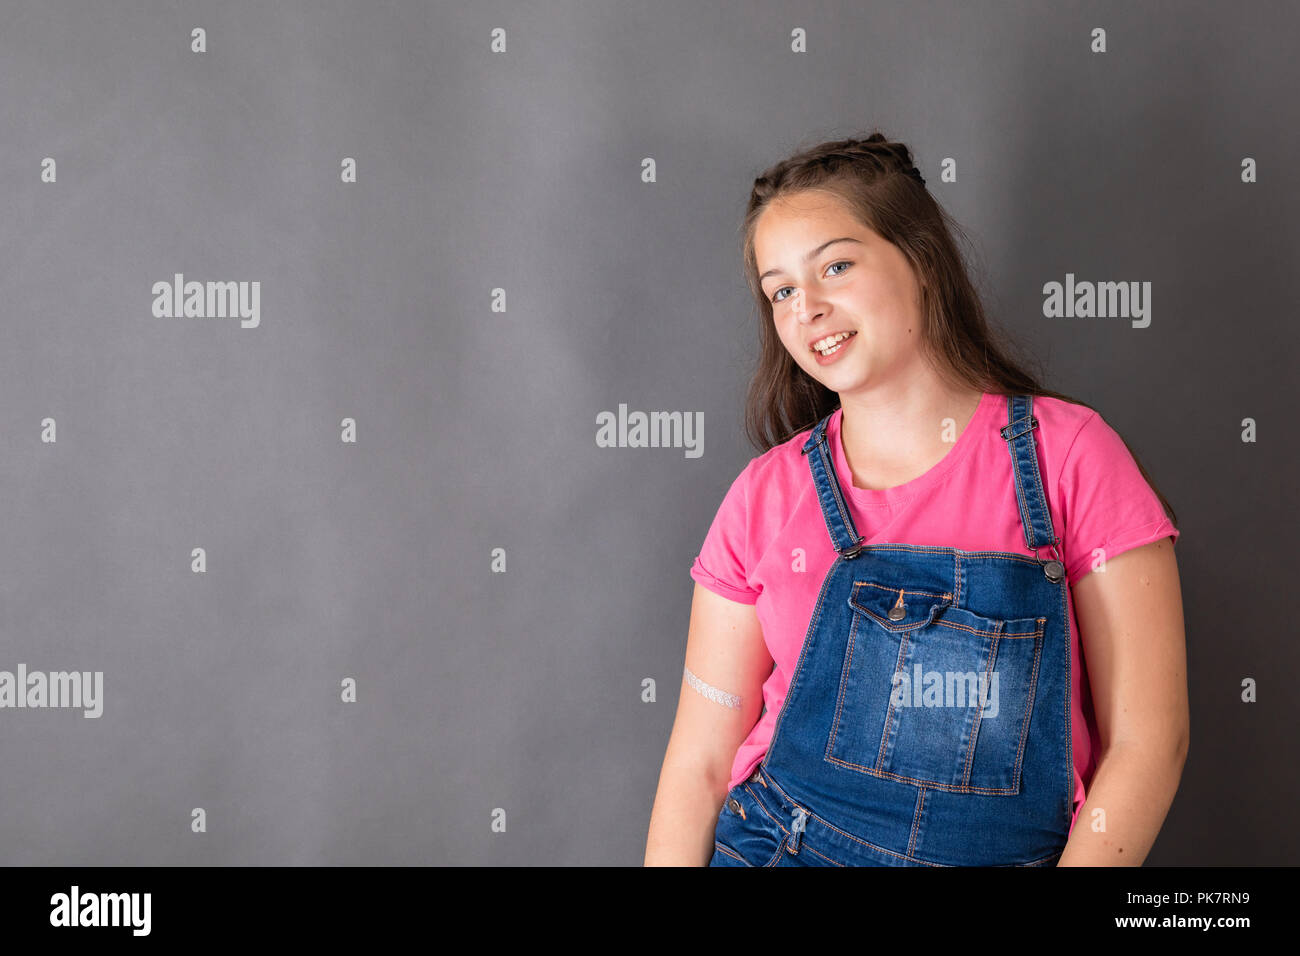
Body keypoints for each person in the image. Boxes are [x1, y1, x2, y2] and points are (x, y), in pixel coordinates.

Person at [644, 132, 1188, 867]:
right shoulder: (764, 496)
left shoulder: (1071, 456)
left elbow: (1151, 741)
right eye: (781, 290)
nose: (807, 308)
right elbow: (700, 764)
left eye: (836, 265)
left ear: (923, 262)